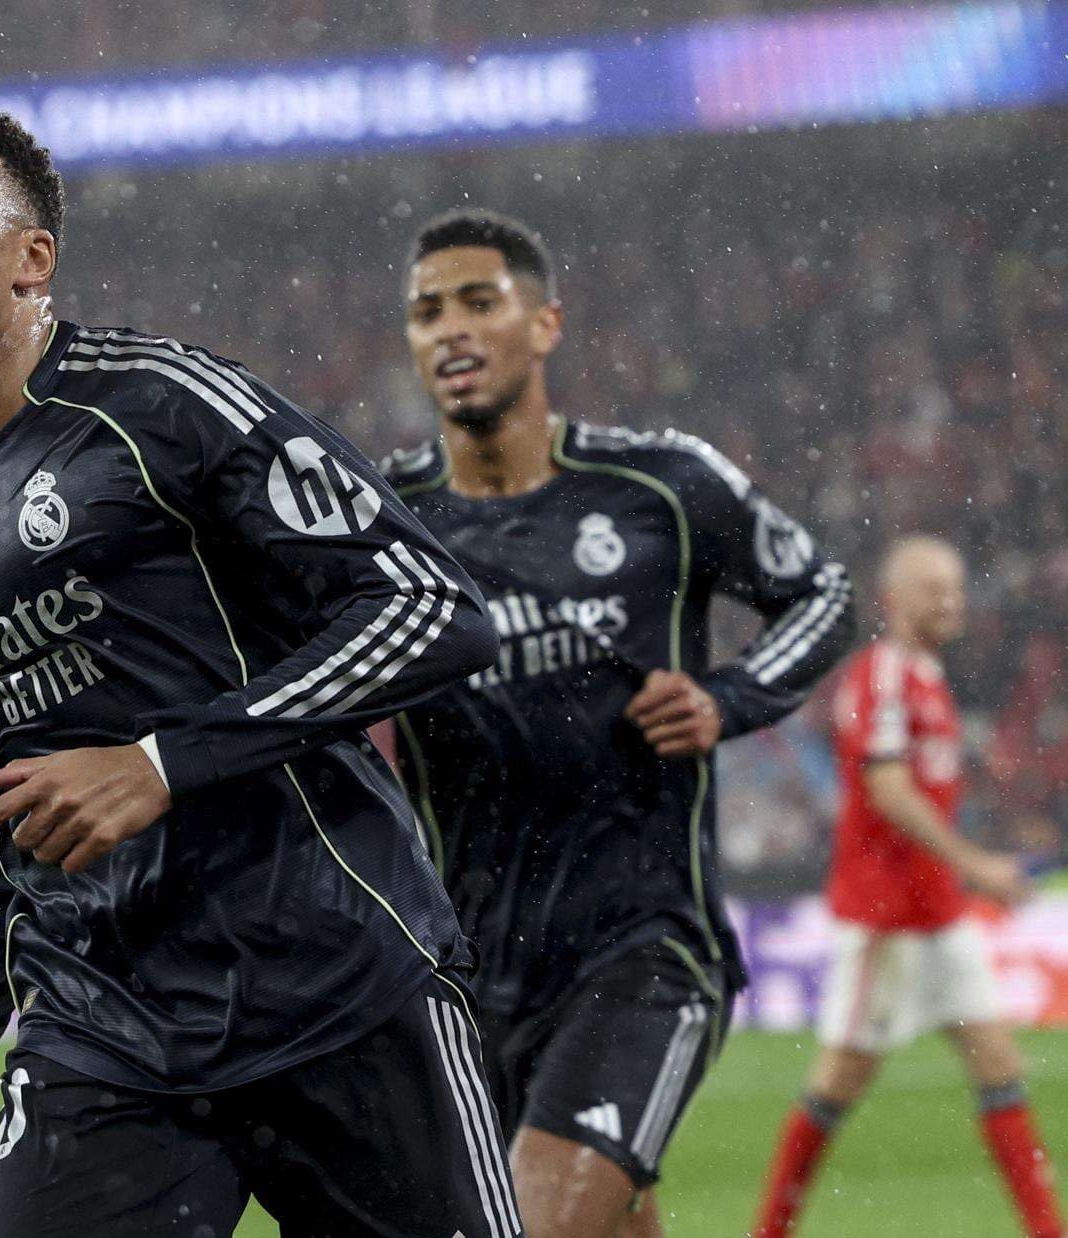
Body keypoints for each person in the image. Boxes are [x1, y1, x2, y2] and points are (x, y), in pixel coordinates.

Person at [0, 100, 521, 1238]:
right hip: (100, 1024)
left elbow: (430, 604)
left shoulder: (159, 403)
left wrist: (167, 760)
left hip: (336, 977)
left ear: (29, 261)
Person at [379, 209, 854, 1237]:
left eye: (478, 301)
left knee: (533, 1223)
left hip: (642, 948)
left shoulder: (661, 487)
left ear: (544, 323)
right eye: (426, 312)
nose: (450, 329)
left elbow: (821, 593)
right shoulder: (381, 522)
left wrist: (728, 697)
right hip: (467, 968)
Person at [752, 535, 1062, 1238]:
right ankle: (768, 1232)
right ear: (894, 599)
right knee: (838, 1081)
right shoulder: (882, 675)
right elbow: (886, 787)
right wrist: (974, 863)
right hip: (883, 917)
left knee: (1000, 1063)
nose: (950, 599)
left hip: (938, 915)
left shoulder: (926, 674)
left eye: (955, 585)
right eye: (933, 588)